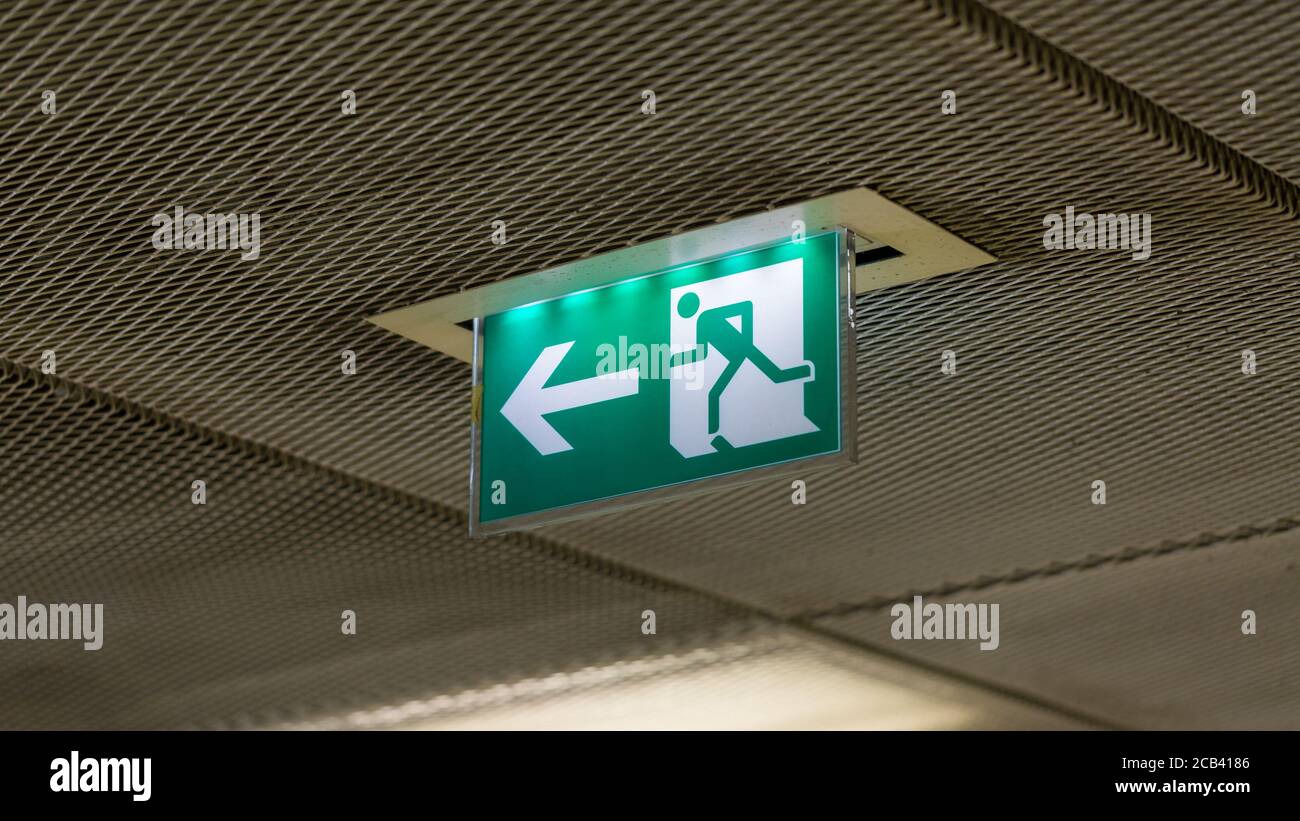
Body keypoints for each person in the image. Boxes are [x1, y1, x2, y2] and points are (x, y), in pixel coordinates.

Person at [669, 291, 811, 447]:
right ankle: (713, 433)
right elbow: (702, 352)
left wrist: (747, 338)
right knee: (717, 392)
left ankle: (712, 433)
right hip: (735, 356)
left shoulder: (709, 315)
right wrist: (676, 359)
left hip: (744, 348)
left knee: (774, 375)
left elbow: (745, 307)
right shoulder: (702, 322)